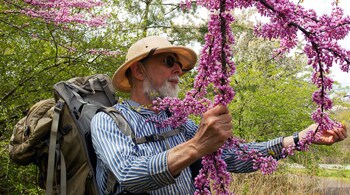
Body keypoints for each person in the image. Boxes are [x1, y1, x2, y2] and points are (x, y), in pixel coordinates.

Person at [91, 36, 348, 195]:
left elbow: (233, 158)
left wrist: (300, 138)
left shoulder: (180, 124)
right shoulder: (108, 120)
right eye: (169, 61)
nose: (178, 70)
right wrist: (197, 145)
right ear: (138, 71)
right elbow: (128, 175)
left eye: (180, 65)